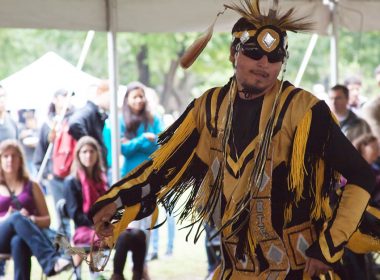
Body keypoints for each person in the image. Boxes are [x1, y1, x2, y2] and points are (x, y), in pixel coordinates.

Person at [90, 1, 376, 279]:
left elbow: (361, 175)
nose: (264, 63)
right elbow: (162, 169)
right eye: (253, 52)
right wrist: (116, 201)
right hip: (234, 269)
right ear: (233, 52)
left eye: (275, 57)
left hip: (297, 270)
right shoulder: (209, 108)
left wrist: (329, 246)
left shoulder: (303, 110)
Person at [0, 139, 70, 279]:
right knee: (16, 217)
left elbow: (47, 220)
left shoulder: (32, 186)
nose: (10, 160)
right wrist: (8, 218)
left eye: (14, 156)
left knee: (18, 241)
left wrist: (31, 220)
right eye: (5, 156)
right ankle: (51, 260)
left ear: (21, 160)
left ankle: (49, 262)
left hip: (22, 238)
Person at [63, 136, 107, 270]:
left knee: (134, 236)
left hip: (104, 225)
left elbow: (109, 205)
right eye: (84, 152)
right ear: (78, 155)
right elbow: (75, 215)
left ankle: (118, 273)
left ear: (97, 154)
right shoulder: (71, 182)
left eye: (92, 151)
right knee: (96, 240)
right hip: (83, 228)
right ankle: (95, 274)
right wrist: (97, 224)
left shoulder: (102, 179)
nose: (88, 155)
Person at [33, 88, 73, 235]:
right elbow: (40, 154)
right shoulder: (47, 125)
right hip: (55, 177)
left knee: (76, 211)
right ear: (55, 99)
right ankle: (65, 250)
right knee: (61, 214)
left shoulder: (74, 120)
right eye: (63, 97)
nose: (67, 100)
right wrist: (47, 175)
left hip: (72, 174)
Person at [68, 81, 110, 169]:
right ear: (100, 92)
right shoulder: (89, 111)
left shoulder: (97, 113)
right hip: (90, 168)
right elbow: (74, 124)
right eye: (110, 96)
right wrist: (90, 145)